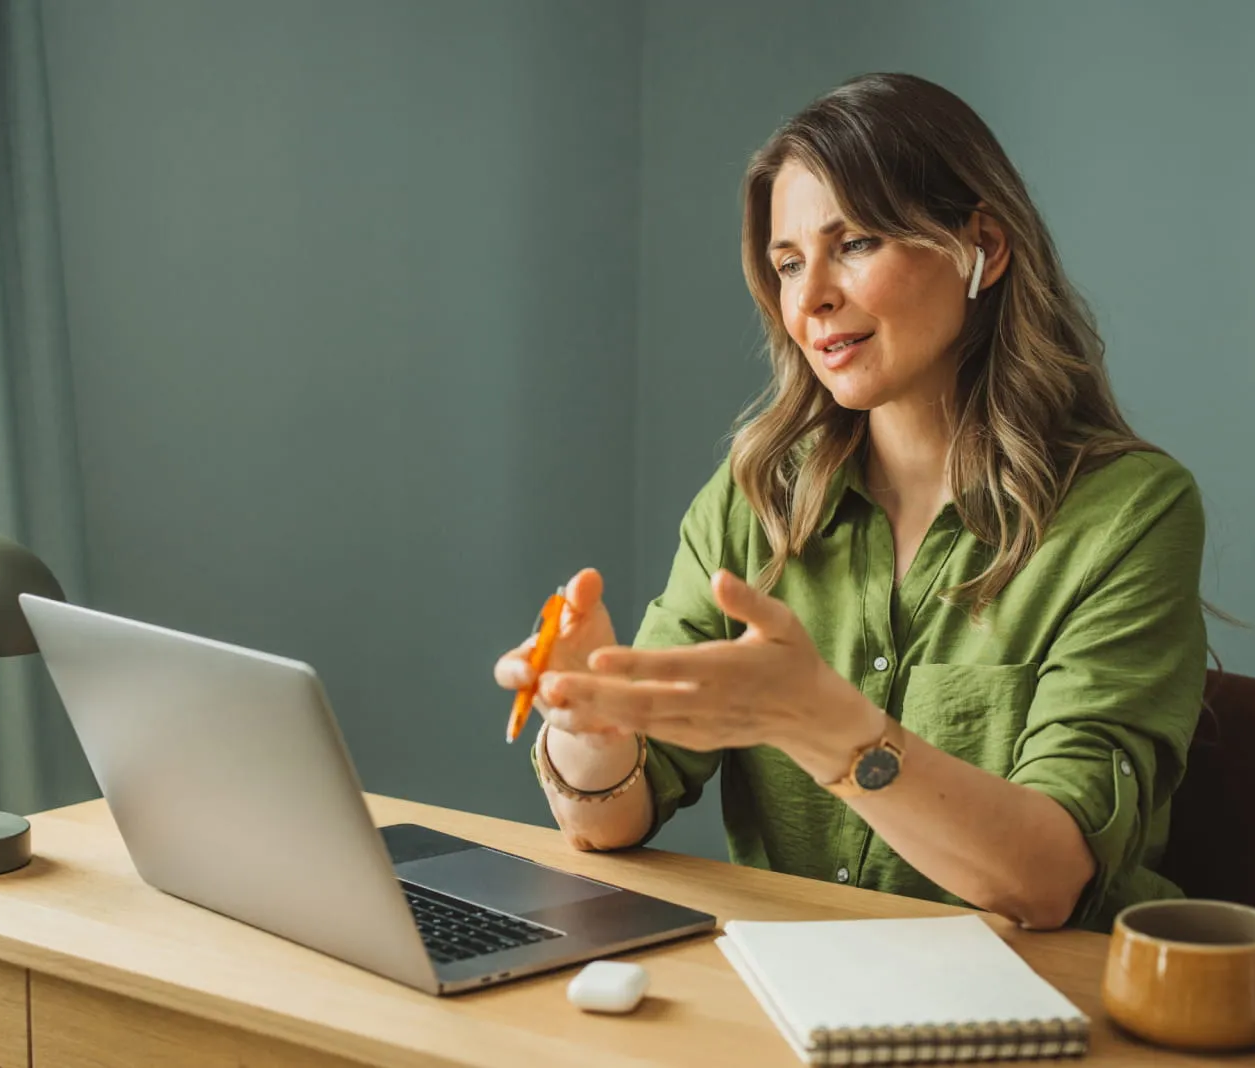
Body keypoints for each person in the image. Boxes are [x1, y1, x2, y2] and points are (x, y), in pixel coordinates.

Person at [494, 72, 1206, 933]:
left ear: (983, 243)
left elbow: (1047, 881)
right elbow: (604, 822)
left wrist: (828, 727)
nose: (809, 297)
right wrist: (592, 716)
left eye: (857, 242)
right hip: (794, 1005)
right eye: (788, 262)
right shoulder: (756, 494)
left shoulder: (1131, 514)